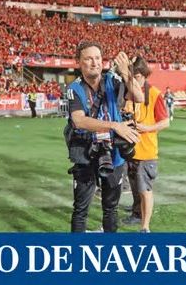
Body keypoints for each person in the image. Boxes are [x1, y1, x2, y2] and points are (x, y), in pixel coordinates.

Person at [65, 41, 144, 233]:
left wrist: (126, 72)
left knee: (111, 209)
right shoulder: (73, 88)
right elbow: (79, 121)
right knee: (81, 209)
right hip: (86, 152)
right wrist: (114, 126)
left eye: (98, 58)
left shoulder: (112, 80)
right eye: (89, 58)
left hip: (112, 153)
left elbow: (139, 97)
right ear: (79, 62)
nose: (95, 63)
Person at [123, 56, 169, 232]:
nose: (135, 80)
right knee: (135, 188)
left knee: (144, 189)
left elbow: (165, 122)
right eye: (132, 77)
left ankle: (145, 226)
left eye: (137, 77)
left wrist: (146, 127)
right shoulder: (127, 92)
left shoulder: (154, 94)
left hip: (146, 151)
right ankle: (137, 213)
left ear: (144, 75)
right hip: (129, 150)